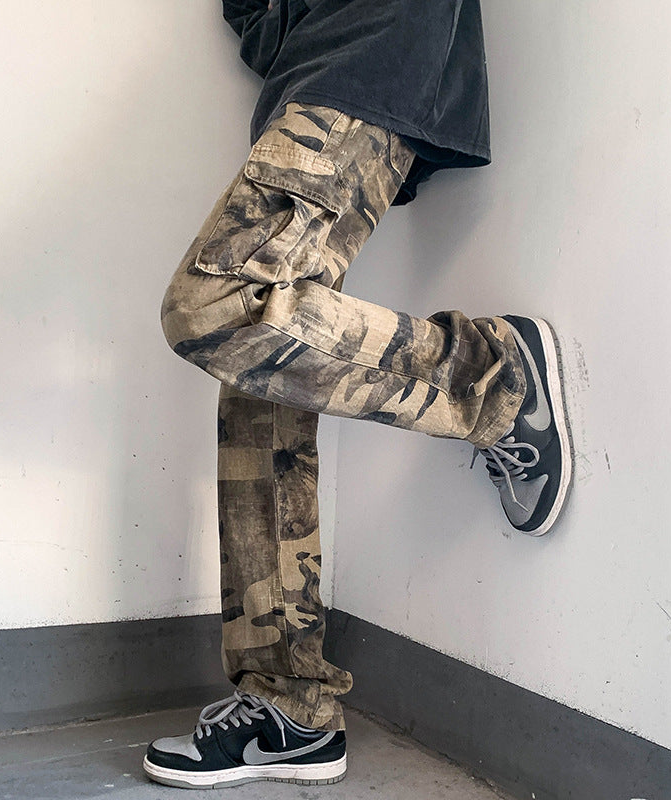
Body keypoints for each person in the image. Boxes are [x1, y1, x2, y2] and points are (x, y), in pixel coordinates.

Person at [143, 0, 573, 789]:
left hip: (366, 54)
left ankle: (490, 378)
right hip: (318, 78)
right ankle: (292, 705)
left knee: (217, 304)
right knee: (261, 385)